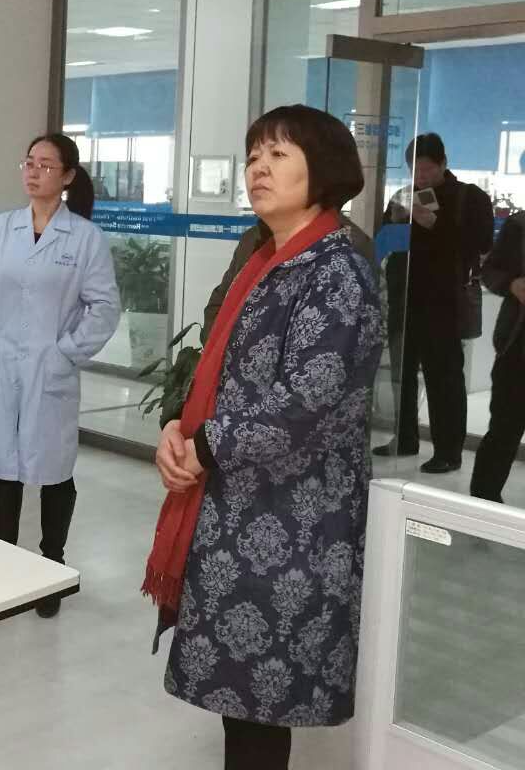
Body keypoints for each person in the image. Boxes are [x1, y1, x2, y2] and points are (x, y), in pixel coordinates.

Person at [145, 105, 383, 770]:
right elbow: (217, 364)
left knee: (263, 701)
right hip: (235, 508)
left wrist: (205, 446)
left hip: (295, 521)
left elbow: (308, 397)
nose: (258, 168)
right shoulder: (264, 256)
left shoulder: (336, 270)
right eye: (254, 155)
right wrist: (177, 425)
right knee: (244, 702)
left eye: (278, 154)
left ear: (323, 169)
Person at [0, 132, 121, 618]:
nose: (33, 172)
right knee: (4, 471)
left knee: (54, 473)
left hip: (51, 372)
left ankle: (52, 569)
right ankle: (3, 567)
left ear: (67, 176)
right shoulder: (1, 228)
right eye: (29, 162)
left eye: (46, 165)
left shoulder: (85, 237)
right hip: (4, 364)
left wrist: (65, 353)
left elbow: (105, 307)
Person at [377, 133, 493, 474]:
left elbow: (481, 244)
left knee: (444, 377)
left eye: (427, 169)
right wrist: (395, 219)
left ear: (443, 164)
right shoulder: (404, 196)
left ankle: (448, 450)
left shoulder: (469, 197)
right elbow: (385, 239)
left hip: (444, 302)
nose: (421, 176)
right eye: (415, 169)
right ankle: (405, 437)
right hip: (404, 298)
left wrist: (434, 223)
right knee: (402, 373)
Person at [201, 215, 374, 343]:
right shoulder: (254, 237)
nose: (256, 179)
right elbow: (219, 303)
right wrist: (220, 354)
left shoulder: (347, 247)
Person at [469, 210, 525, 504]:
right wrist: (512, 284)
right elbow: (491, 271)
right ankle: (483, 503)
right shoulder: (519, 225)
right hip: (517, 346)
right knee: (504, 427)